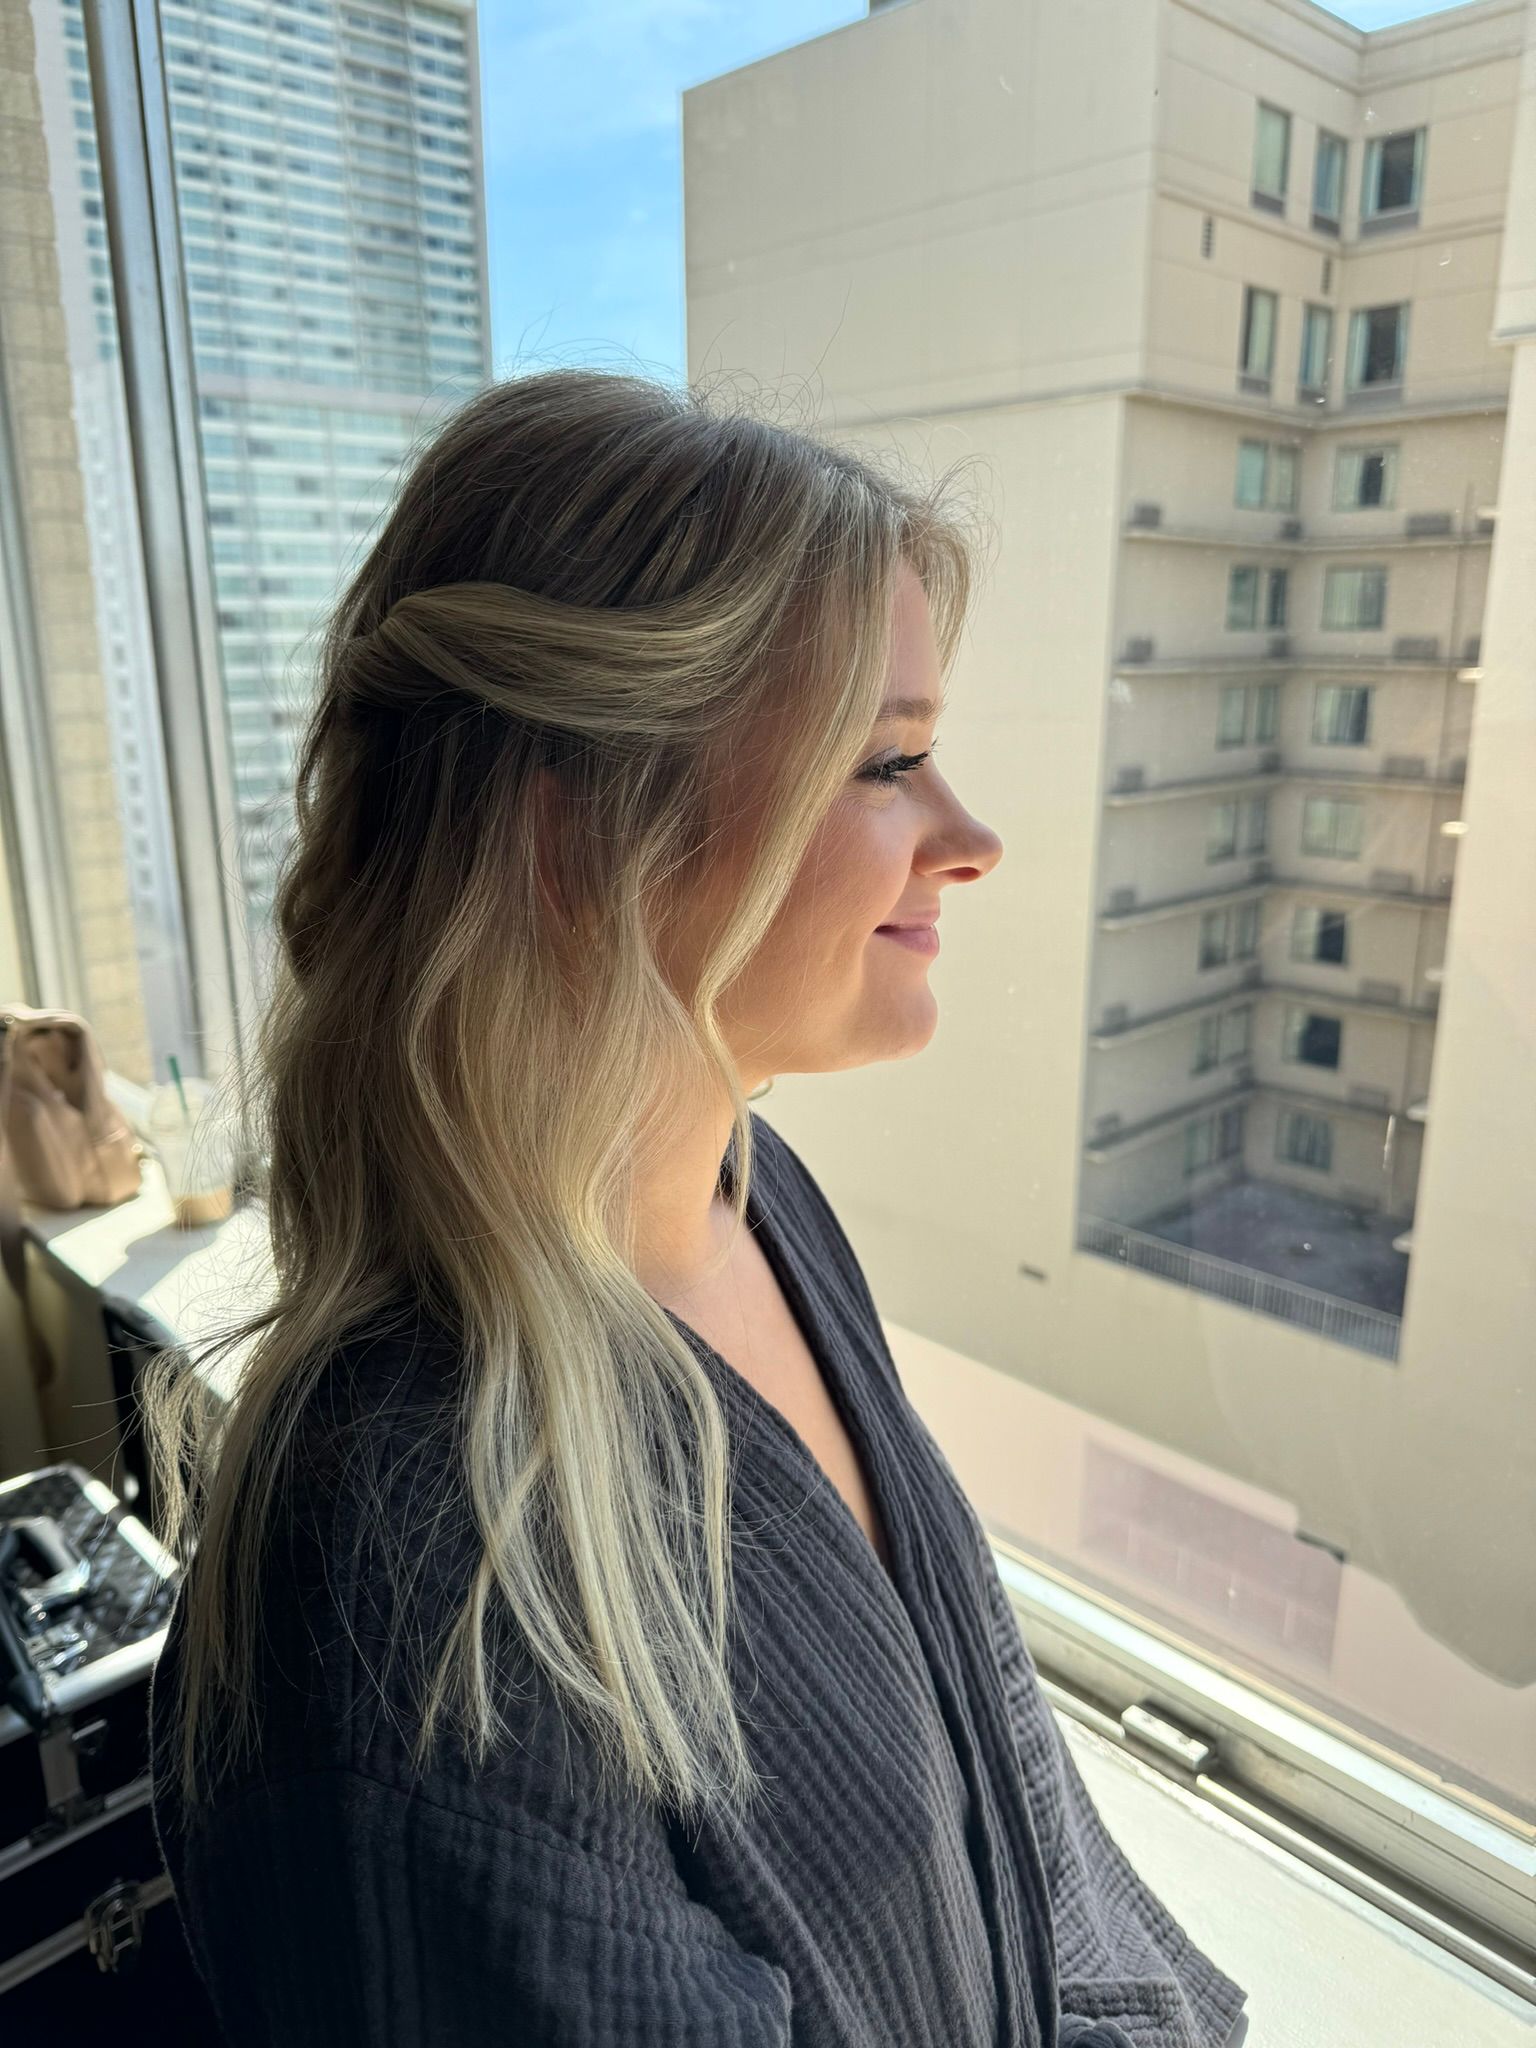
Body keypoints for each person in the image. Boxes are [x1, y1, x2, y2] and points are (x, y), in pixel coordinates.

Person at [144, 368, 1249, 2047]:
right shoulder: (415, 1579)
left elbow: (1005, 1800)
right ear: (582, 833)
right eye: (890, 763)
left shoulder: (757, 1201)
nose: (974, 839)